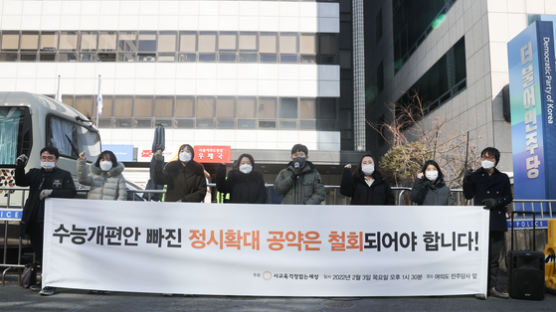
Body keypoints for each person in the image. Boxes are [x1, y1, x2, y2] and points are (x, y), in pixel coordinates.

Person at [15, 146, 76, 296]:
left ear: (56, 159)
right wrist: (19, 167)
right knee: (40, 252)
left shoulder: (64, 175)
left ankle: (51, 283)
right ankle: (45, 281)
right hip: (35, 220)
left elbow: (71, 192)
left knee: (52, 253)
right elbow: (21, 181)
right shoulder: (35, 173)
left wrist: (52, 192)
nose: (46, 160)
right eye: (44, 158)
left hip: (55, 222)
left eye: (50, 158)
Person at [463, 147, 512, 299]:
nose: (487, 160)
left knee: (494, 257)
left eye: (490, 158)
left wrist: (496, 202)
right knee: (480, 255)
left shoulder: (503, 177)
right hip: (480, 219)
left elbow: (508, 197)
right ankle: (479, 287)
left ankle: (492, 287)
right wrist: (466, 180)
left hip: (497, 220)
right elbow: (468, 194)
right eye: (484, 157)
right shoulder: (476, 175)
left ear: (496, 160)